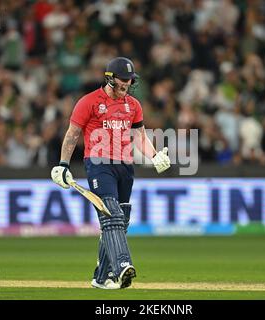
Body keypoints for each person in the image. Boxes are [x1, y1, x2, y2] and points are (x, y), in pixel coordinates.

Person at [51, 57, 171, 289]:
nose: (127, 84)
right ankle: (122, 266)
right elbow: (72, 134)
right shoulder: (89, 102)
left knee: (120, 221)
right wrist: (63, 165)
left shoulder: (133, 105)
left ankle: (101, 277)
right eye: (122, 79)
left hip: (125, 165)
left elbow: (139, 137)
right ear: (110, 78)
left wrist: (155, 156)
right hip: (98, 163)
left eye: (130, 80)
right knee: (111, 214)